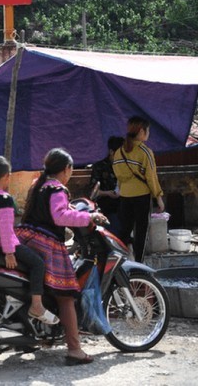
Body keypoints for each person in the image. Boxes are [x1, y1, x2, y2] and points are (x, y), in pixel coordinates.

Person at [15, 148, 106, 366]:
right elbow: (59, 216)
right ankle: (74, 350)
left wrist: (73, 208)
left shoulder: (38, 185)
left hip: (26, 237)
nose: (71, 172)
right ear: (66, 169)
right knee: (66, 295)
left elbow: (55, 210)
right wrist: (89, 216)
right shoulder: (57, 188)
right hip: (46, 244)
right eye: (71, 168)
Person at [0, 156, 56, 325]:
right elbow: (5, 229)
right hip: (0, 247)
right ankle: (37, 305)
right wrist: (9, 252)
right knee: (38, 263)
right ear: (7, 176)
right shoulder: (4, 199)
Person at [112, 116, 165, 262]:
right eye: (147, 130)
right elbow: (151, 177)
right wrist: (159, 198)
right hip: (142, 197)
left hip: (125, 197)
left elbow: (118, 174)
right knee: (141, 233)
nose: (148, 133)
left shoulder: (119, 152)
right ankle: (139, 267)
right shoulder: (145, 152)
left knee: (124, 232)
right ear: (142, 131)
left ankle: (120, 264)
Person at [89, 136, 124, 235]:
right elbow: (93, 191)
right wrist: (108, 193)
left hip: (122, 203)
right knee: (114, 221)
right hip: (105, 205)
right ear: (112, 152)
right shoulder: (99, 167)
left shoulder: (125, 167)